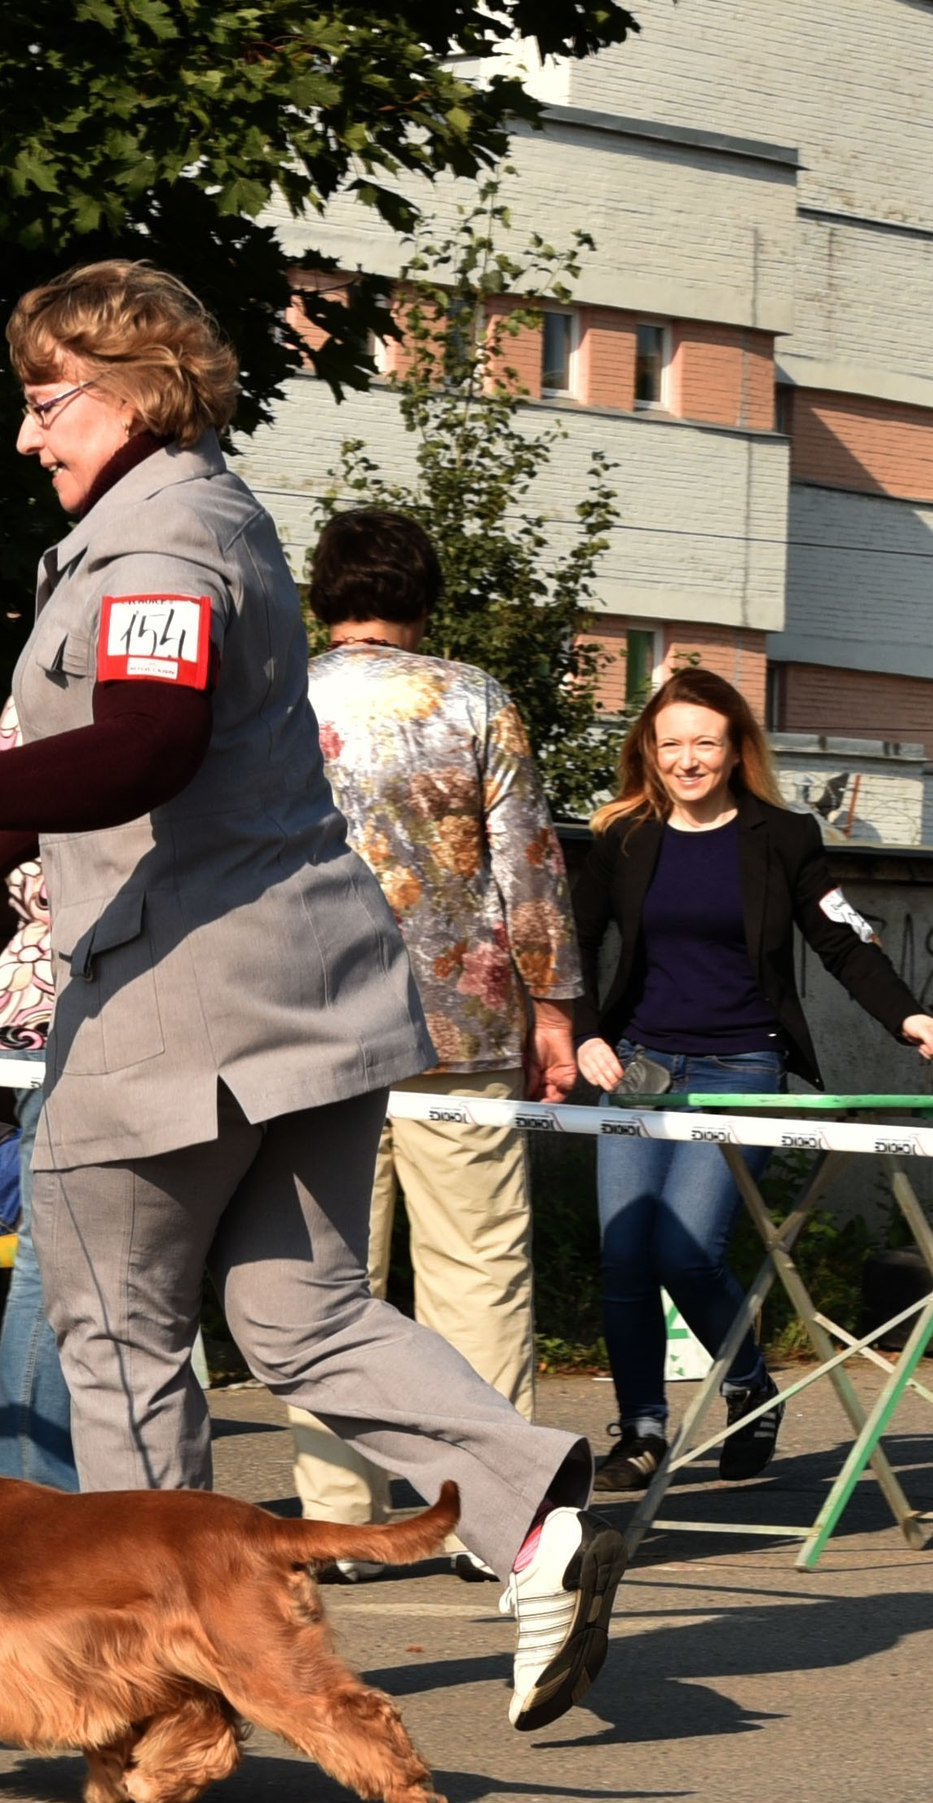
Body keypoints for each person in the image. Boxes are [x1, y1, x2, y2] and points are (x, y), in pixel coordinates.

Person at [0, 258, 623, 1733]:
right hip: (309, 999)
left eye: (47, 402)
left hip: (184, 1015)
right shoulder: (196, 515)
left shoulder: (160, 538)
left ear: (133, 394)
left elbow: (148, 744)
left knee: (118, 1338)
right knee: (300, 1312)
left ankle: (165, 1690)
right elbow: (145, 746)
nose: (27, 435)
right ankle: (544, 1513)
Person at [285, 509, 583, 1580]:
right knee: (476, 1270)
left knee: (322, 1280)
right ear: (424, 593)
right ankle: (494, 1516)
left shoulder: (278, 693)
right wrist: (552, 1006)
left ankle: (336, 1521)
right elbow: (527, 864)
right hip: (460, 1018)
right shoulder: (474, 699)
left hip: (305, 1023)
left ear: (321, 594)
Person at [571, 668, 933, 1490]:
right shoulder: (624, 837)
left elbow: (844, 939)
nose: (686, 759)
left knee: (684, 1247)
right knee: (626, 1254)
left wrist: (906, 1014)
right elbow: (572, 941)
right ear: (648, 750)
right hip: (639, 1064)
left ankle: (747, 1385)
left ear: (737, 747)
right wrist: (584, 1034)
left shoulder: (783, 837)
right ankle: (641, 1430)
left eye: (704, 742)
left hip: (743, 1066)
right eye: (669, 744)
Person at [0, 696, 79, 1490]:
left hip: (39, 991)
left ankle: (34, 1490)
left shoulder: (33, 689)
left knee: (59, 1257)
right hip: (75, 997)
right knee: (56, 1259)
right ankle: (32, 1492)